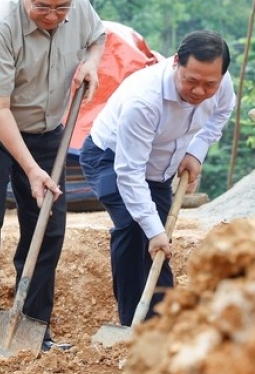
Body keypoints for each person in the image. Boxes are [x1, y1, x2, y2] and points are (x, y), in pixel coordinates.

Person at [0, 0, 106, 352]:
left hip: (45, 127)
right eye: (42, 7)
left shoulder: (78, 5)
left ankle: (35, 327)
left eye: (61, 8)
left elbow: (97, 37)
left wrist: (91, 63)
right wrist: (32, 169)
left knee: (49, 222)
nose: (53, 16)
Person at [79, 30, 235, 326]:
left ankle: (164, 322)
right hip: (111, 160)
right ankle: (132, 327)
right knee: (134, 227)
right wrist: (151, 229)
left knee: (160, 242)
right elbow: (129, 172)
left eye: (209, 84)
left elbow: (222, 112)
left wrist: (196, 151)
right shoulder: (144, 100)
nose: (200, 91)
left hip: (160, 168)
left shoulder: (220, 84)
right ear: (176, 62)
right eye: (191, 81)